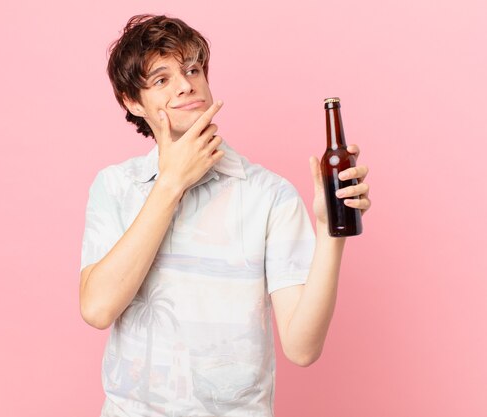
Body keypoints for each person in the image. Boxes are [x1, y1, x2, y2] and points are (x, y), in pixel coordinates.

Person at [79, 14, 371, 417]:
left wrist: (329, 232)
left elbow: (302, 348)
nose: (186, 84)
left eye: (193, 69)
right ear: (132, 102)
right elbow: (97, 309)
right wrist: (170, 184)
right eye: (162, 79)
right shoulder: (114, 186)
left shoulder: (270, 195)